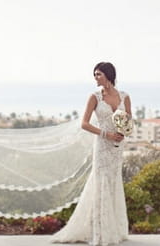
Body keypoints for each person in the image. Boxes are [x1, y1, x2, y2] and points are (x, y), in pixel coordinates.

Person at [52, 62, 130, 245]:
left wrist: (123, 133)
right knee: (101, 182)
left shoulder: (124, 96)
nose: (95, 78)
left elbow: (129, 119)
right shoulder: (94, 97)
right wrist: (107, 134)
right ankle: (102, 233)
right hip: (102, 146)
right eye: (94, 75)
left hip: (117, 147)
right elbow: (84, 123)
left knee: (114, 183)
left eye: (98, 74)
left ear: (109, 75)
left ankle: (116, 230)